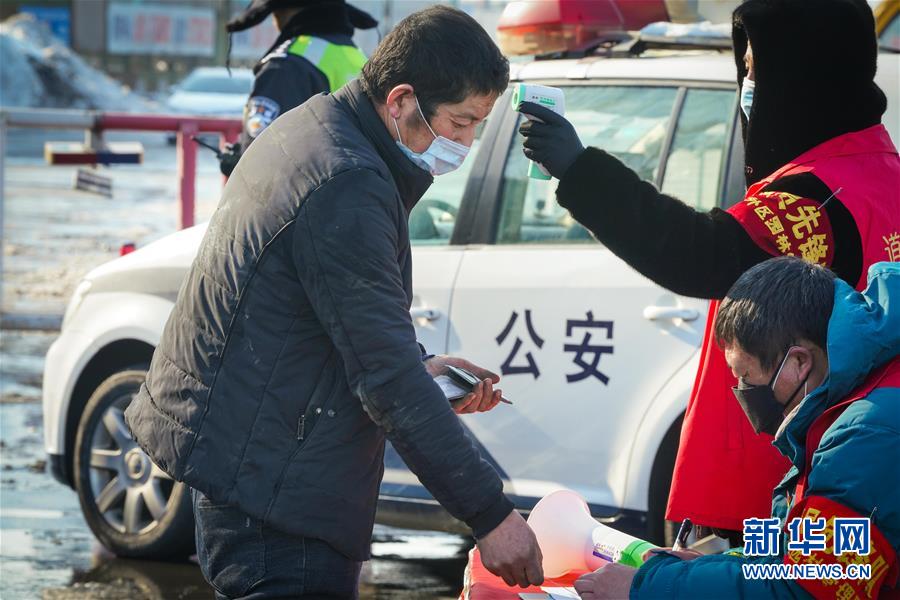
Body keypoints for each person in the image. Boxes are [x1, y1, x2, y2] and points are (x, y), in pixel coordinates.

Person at [125, 6, 545, 598]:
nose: (466, 144)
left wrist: (422, 365)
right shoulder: (347, 183)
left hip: (251, 460)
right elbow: (385, 378)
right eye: (460, 123)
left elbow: (327, 315)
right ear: (401, 101)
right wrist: (491, 515)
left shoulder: (315, 126)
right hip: (278, 490)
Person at [518, 0, 900, 544]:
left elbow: (697, 252)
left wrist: (581, 171)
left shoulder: (813, 200)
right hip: (858, 490)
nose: (749, 86)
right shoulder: (884, 174)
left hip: (770, 501)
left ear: (801, 76)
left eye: (757, 71)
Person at [573, 257, 900, 599]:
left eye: (746, 375)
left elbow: (805, 588)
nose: (744, 391)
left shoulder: (868, 433)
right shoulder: (860, 394)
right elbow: (796, 554)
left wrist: (647, 587)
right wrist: (704, 568)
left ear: (799, 361)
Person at [218, 0, 377, 176]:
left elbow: (260, 161)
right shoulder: (356, 56)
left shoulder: (285, 66)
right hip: (361, 185)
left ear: (279, 11)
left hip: (308, 190)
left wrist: (238, 162)